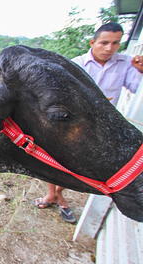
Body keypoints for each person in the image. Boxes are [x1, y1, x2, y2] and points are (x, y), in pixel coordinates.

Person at [34, 22, 143, 224]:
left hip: (103, 129)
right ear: (93, 42)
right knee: (53, 159)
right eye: (104, 43)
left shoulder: (126, 64)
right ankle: (54, 195)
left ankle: (57, 194)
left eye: (115, 43)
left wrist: (141, 72)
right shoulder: (75, 65)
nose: (109, 48)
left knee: (84, 166)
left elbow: (137, 89)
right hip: (72, 126)